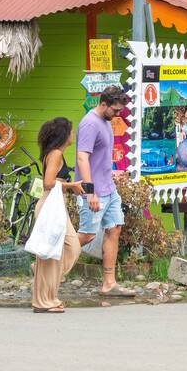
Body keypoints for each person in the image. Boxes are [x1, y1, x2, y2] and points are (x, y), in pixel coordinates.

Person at [76, 84, 135, 297]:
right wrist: (90, 192)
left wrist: (112, 173)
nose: (118, 114)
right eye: (115, 110)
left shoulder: (106, 122)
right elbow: (83, 157)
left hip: (109, 189)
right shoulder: (90, 124)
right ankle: (50, 266)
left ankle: (109, 283)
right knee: (87, 235)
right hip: (94, 191)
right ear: (103, 104)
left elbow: (99, 158)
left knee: (114, 228)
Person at [31, 117, 85, 313]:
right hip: (50, 204)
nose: (73, 135)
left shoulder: (56, 153)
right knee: (52, 255)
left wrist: (70, 188)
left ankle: (44, 286)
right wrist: (73, 186)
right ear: (64, 135)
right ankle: (44, 301)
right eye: (71, 131)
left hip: (56, 204)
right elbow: (48, 182)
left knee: (70, 248)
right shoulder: (55, 154)